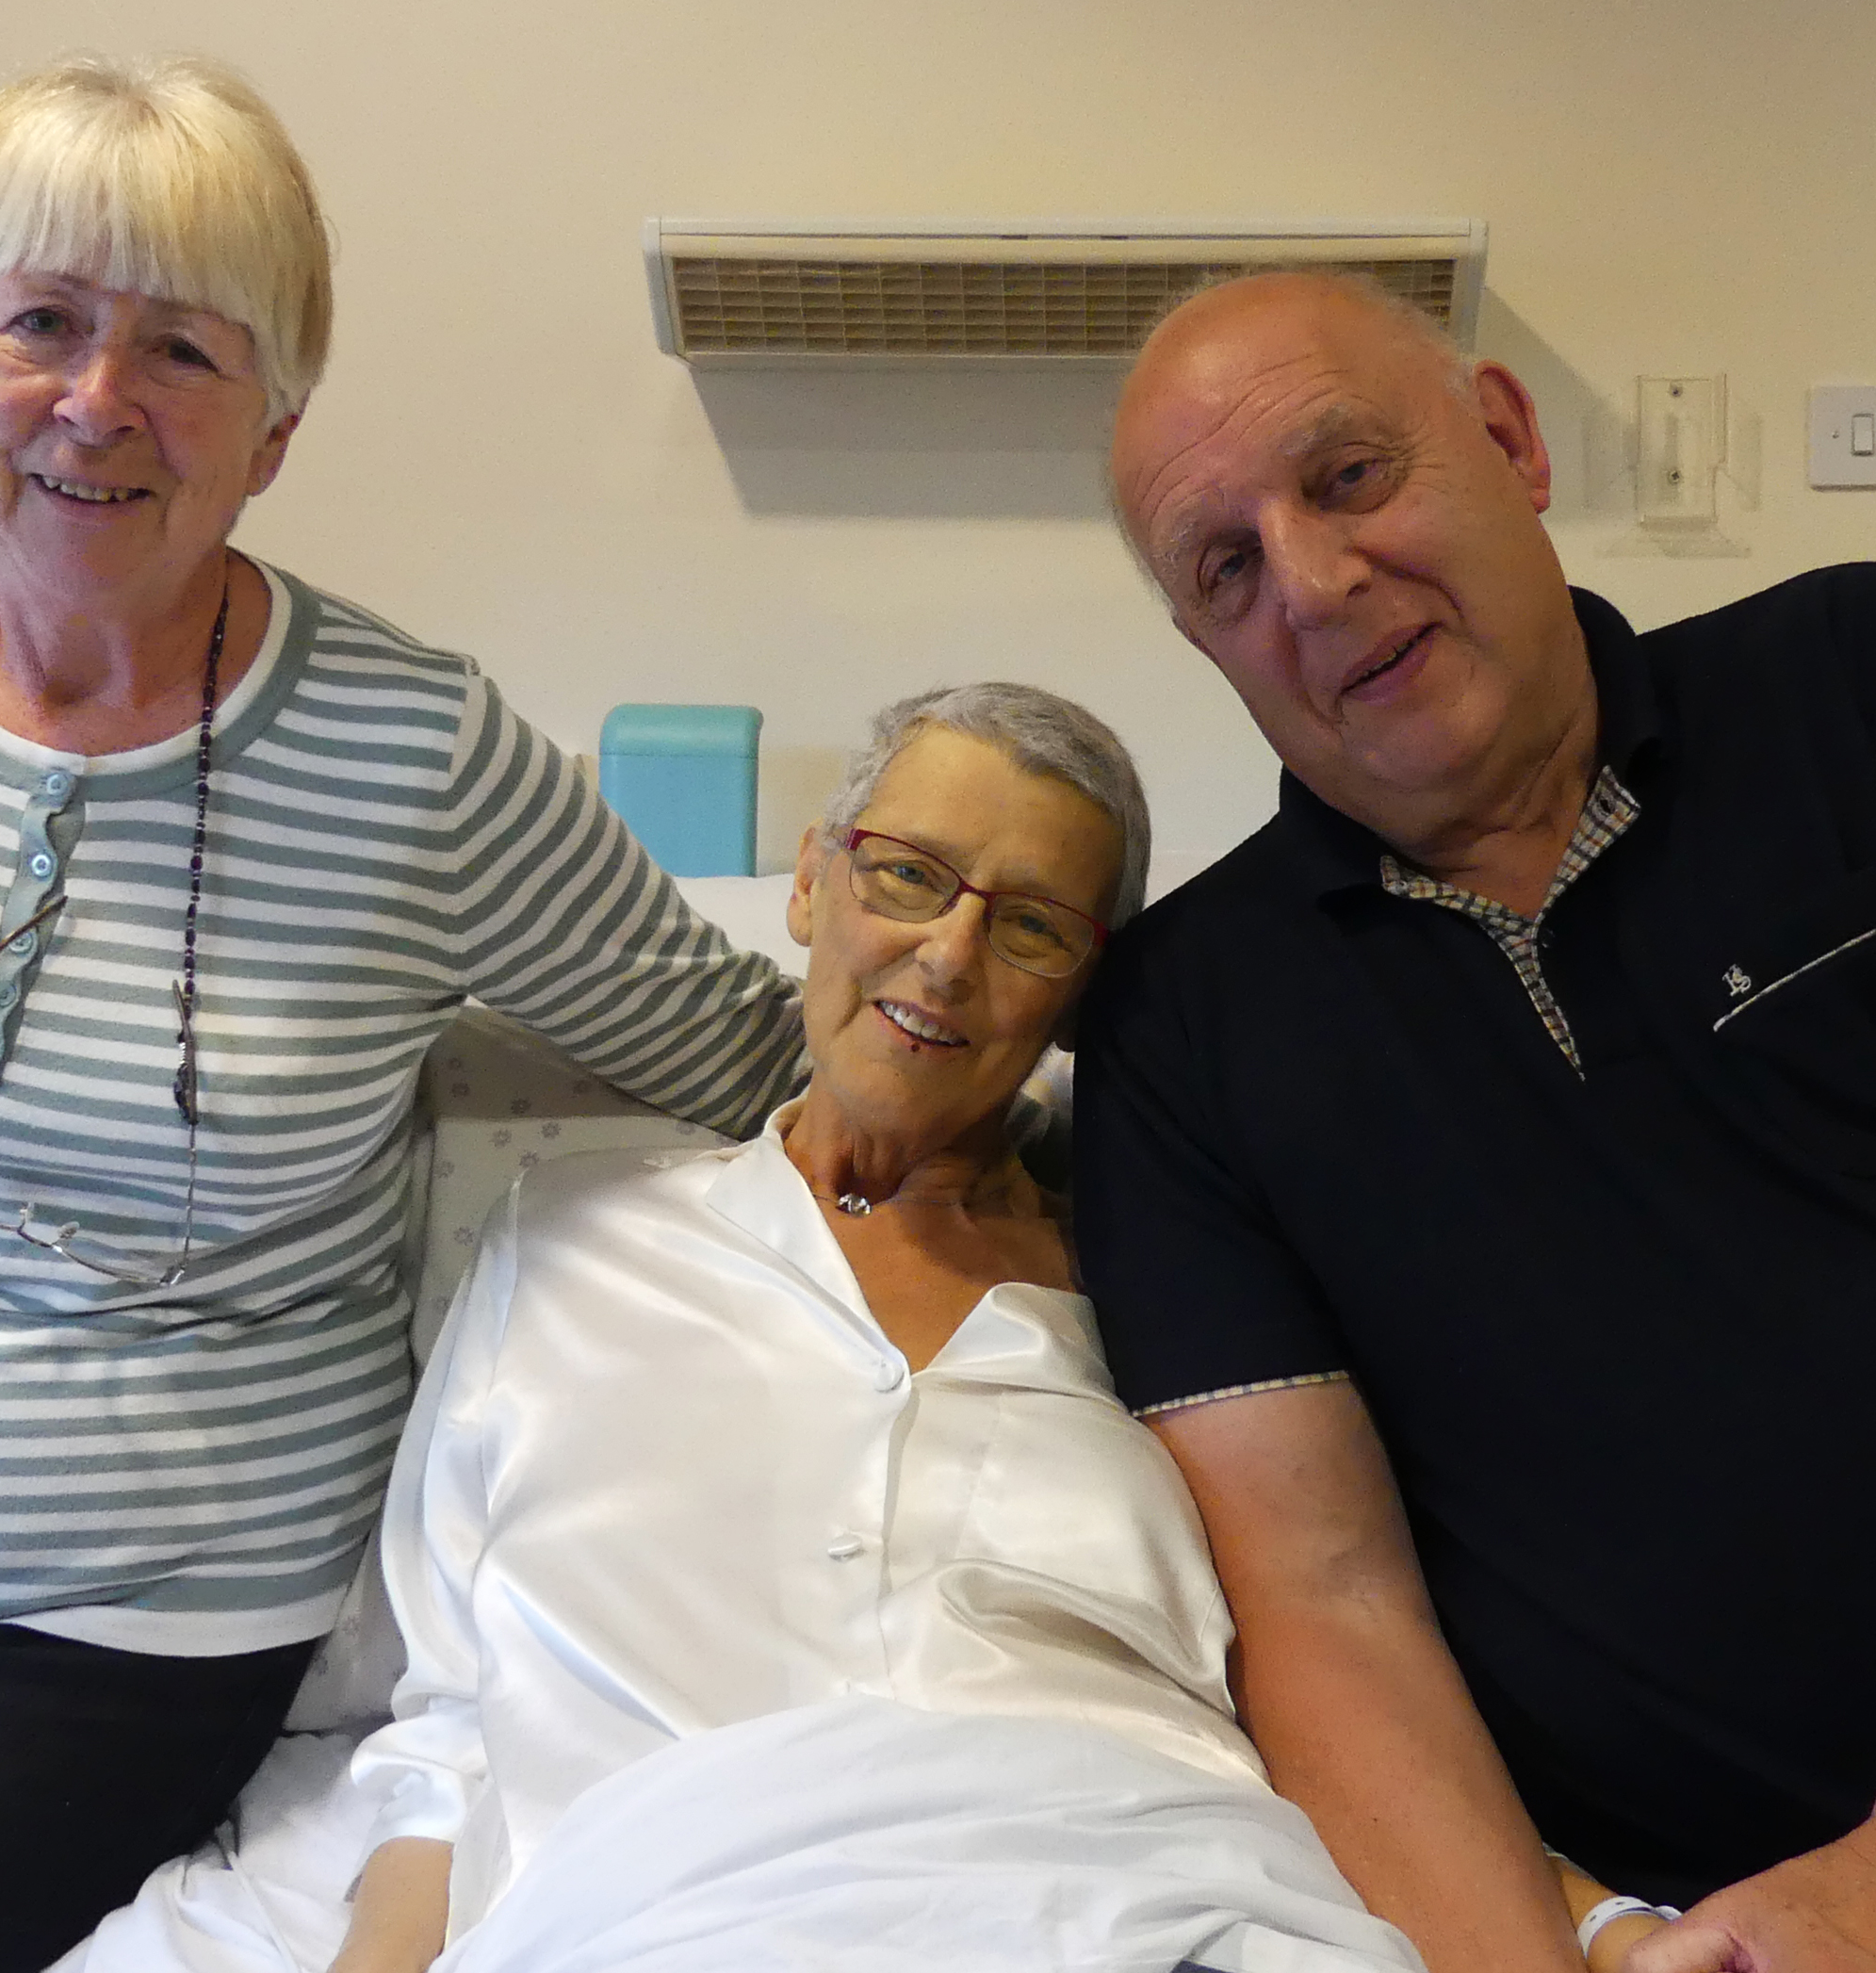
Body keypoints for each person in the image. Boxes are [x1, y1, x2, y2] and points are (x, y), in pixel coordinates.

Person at [0, 54, 805, 1973]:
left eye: (181, 348)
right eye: (43, 324)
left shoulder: (418, 751)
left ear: (277, 427)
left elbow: (736, 1052)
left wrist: (1038, 1019)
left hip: (125, 1601)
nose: (96, 401)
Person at [278, 684, 1417, 1973]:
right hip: (677, 1913)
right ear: (813, 882)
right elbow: (442, 1730)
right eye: (910, 876)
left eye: (1033, 925)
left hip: (1161, 1898)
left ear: (1087, 991)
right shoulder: (570, 1240)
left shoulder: (1172, 1294)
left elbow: (1341, 1654)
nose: (949, 957)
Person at [1077, 267, 1876, 1973]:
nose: (1311, 581)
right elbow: (1322, 1603)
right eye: (1225, 568)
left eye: (1348, 476)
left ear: (1507, 440)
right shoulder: (1178, 1028)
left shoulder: (1853, 687)